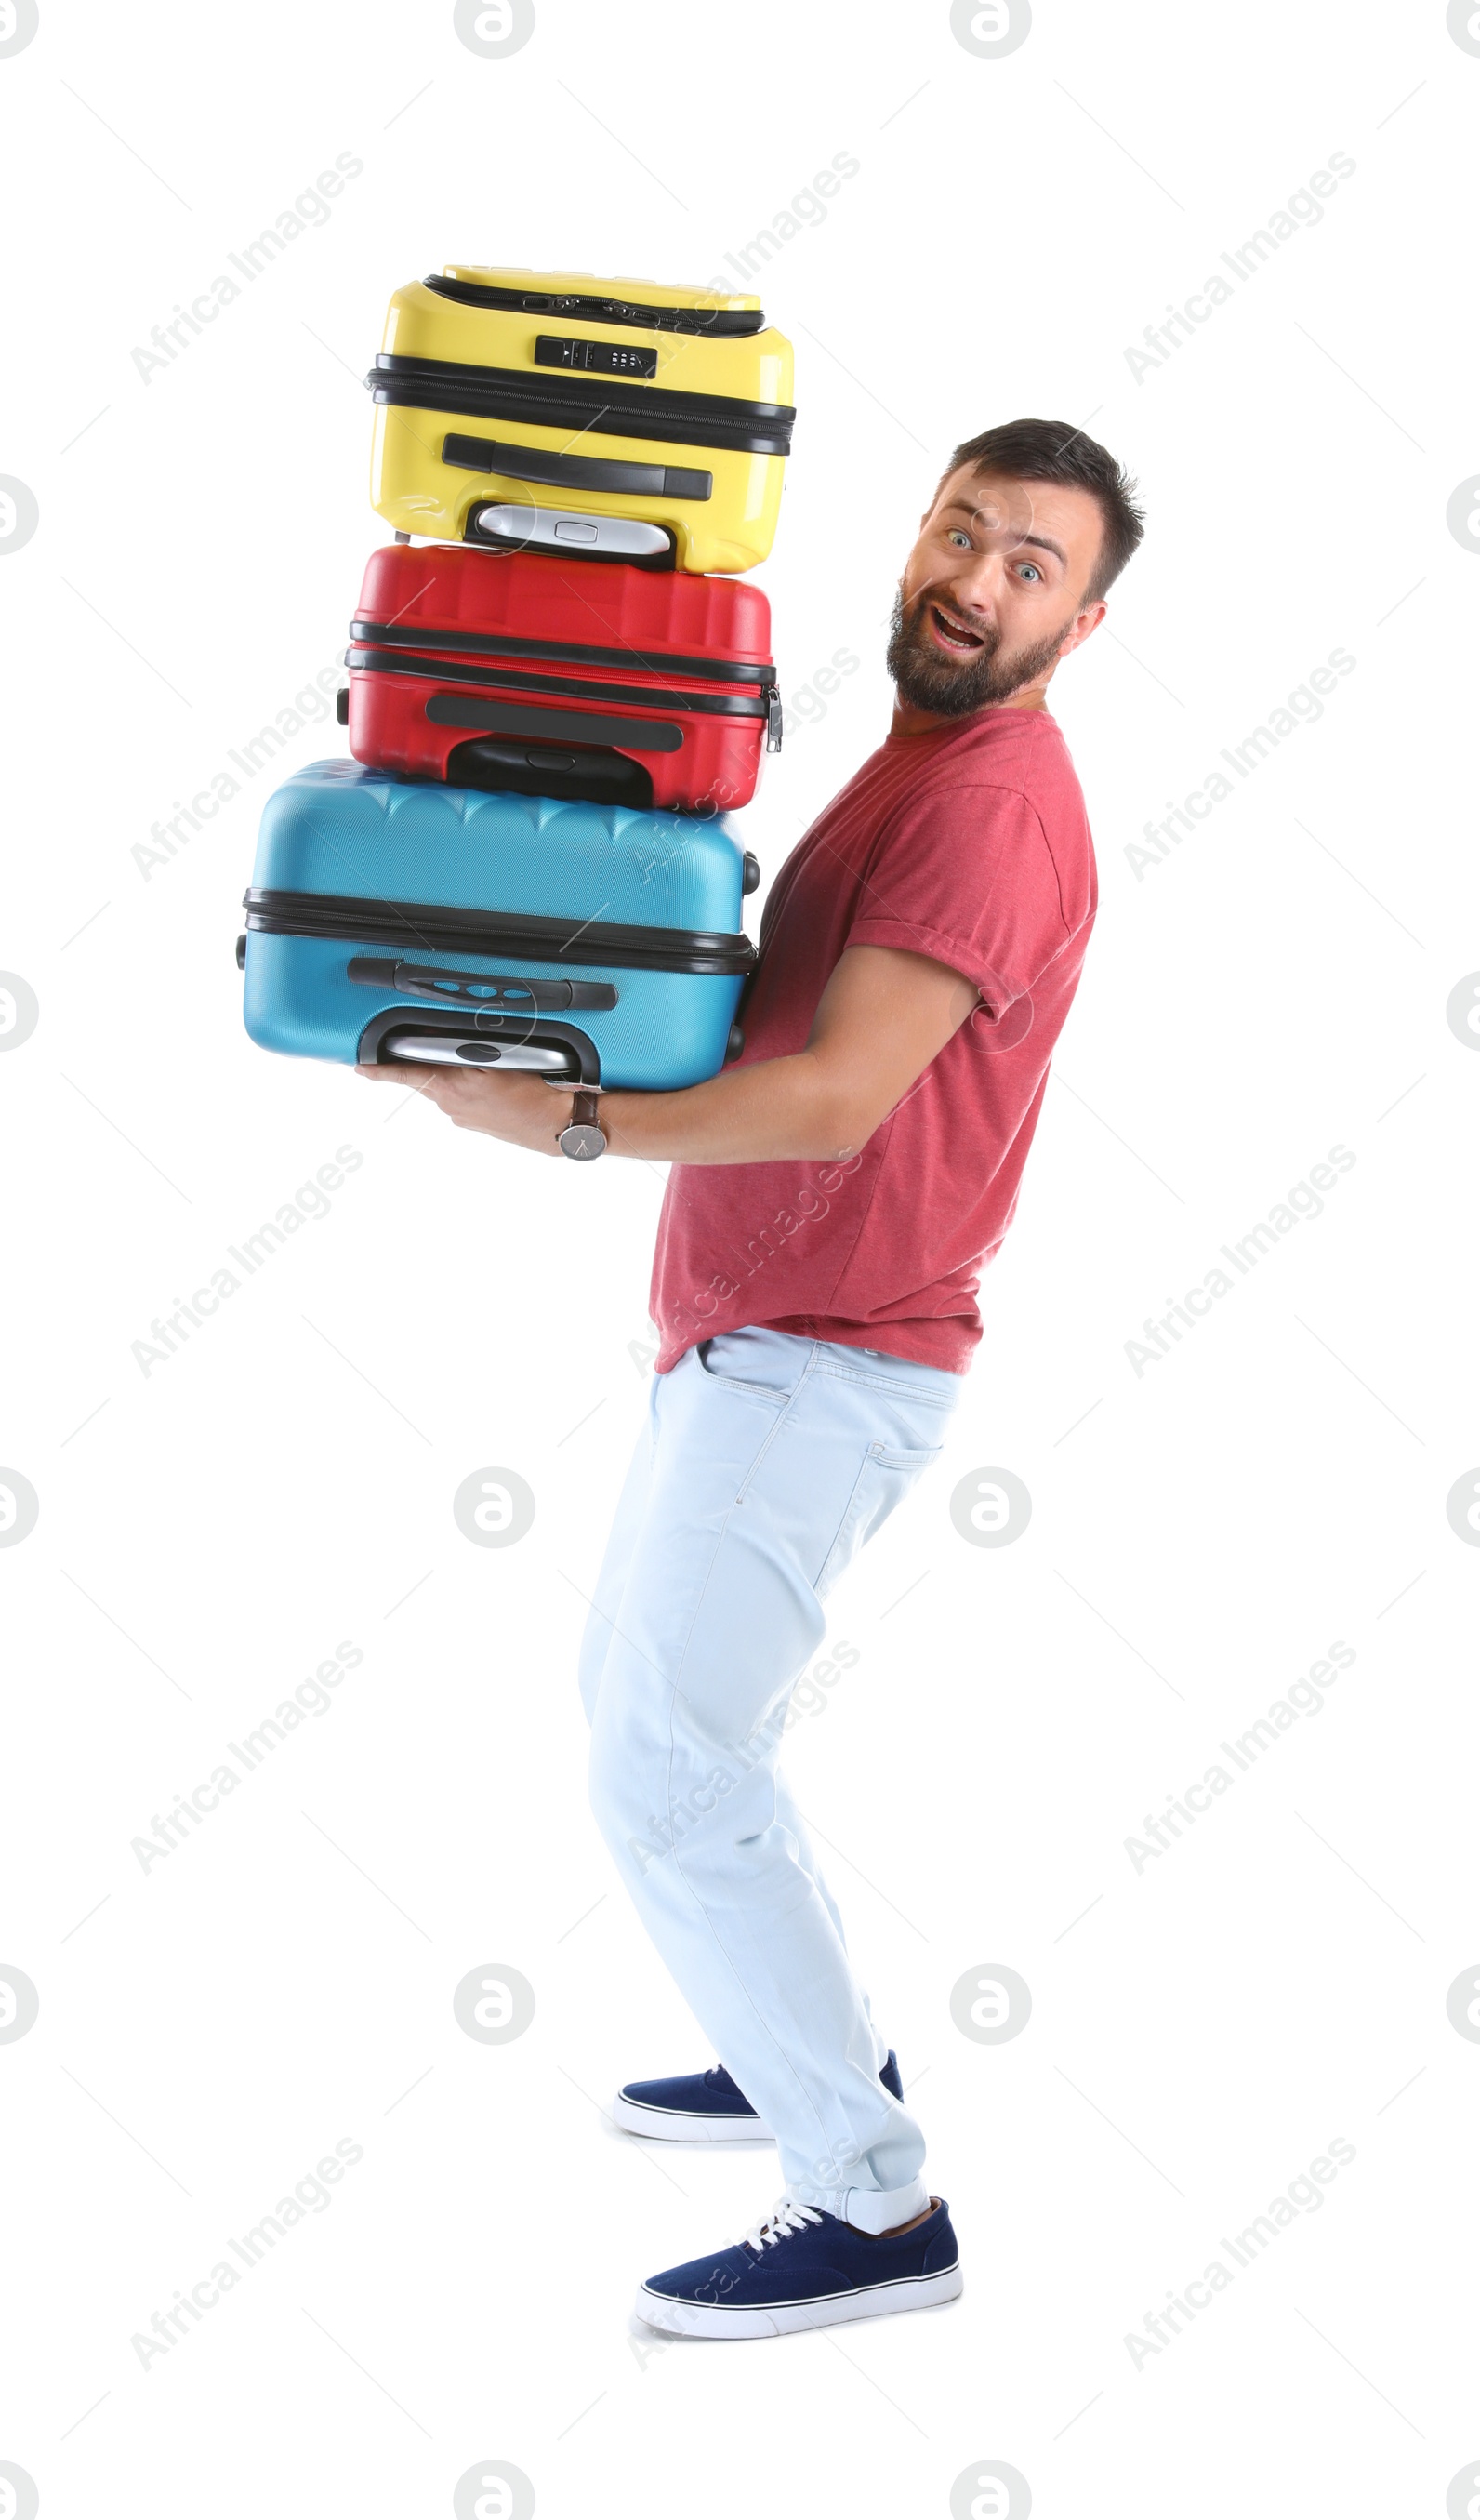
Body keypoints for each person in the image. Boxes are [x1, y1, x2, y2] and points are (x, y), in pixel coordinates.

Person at [363, 417, 1144, 2338]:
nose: (974, 577)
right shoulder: (918, 757)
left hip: (823, 1360)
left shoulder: (984, 802)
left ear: (1085, 618)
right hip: (755, 1340)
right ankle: (809, 2049)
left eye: (1028, 564)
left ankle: (868, 2203)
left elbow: (828, 1090)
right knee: (671, 1728)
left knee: (661, 1754)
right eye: (959, 530)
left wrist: (552, 1123)